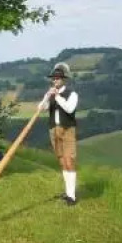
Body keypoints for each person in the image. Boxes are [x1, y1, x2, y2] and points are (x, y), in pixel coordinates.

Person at [38, 62, 79, 206]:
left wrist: (57, 97)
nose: (55, 81)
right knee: (62, 161)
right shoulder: (51, 94)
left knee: (69, 161)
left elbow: (69, 109)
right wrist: (47, 96)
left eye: (57, 78)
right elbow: (40, 108)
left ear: (63, 80)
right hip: (53, 130)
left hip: (67, 130)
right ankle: (67, 192)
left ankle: (72, 196)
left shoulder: (72, 94)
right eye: (53, 79)